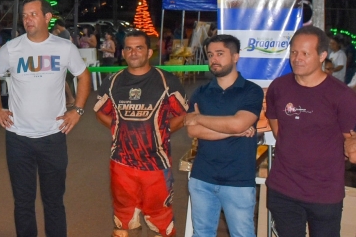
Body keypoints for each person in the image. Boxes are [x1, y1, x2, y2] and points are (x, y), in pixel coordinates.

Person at [0, 0, 90, 237]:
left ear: (48, 17)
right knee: (23, 203)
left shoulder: (64, 47)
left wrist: (76, 110)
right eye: (24, 15)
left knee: (54, 201)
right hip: (18, 138)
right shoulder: (11, 49)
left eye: (33, 14)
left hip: (52, 138)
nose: (27, 19)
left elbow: (83, 77)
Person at [94, 30, 188, 237]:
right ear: (123, 52)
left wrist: (159, 131)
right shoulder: (112, 81)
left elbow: (182, 115)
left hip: (156, 164)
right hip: (121, 163)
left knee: (161, 222)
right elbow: (100, 112)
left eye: (139, 48)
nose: (133, 52)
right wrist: (119, 128)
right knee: (124, 220)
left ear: (149, 52)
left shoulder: (167, 81)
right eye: (129, 48)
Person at [265, 25, 356, 237]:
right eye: (294, 52)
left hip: (324, 193)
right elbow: (277, 127)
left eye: (305, 53)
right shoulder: (279, 87)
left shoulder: (341, 96)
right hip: (284, 189)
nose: (297, 58)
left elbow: (349, 141)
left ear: (322, 55)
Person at [184, 35, 263, 237]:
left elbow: (238, 123)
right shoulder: (200, 92)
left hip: (238, 180)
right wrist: (234, 129)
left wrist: (200, 118)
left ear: (235, 56)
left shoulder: (251, 91)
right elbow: (193, 130)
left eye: (220, 54)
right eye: (210, 55)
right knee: (202, 234)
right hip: (202, 178)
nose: (214, 60)